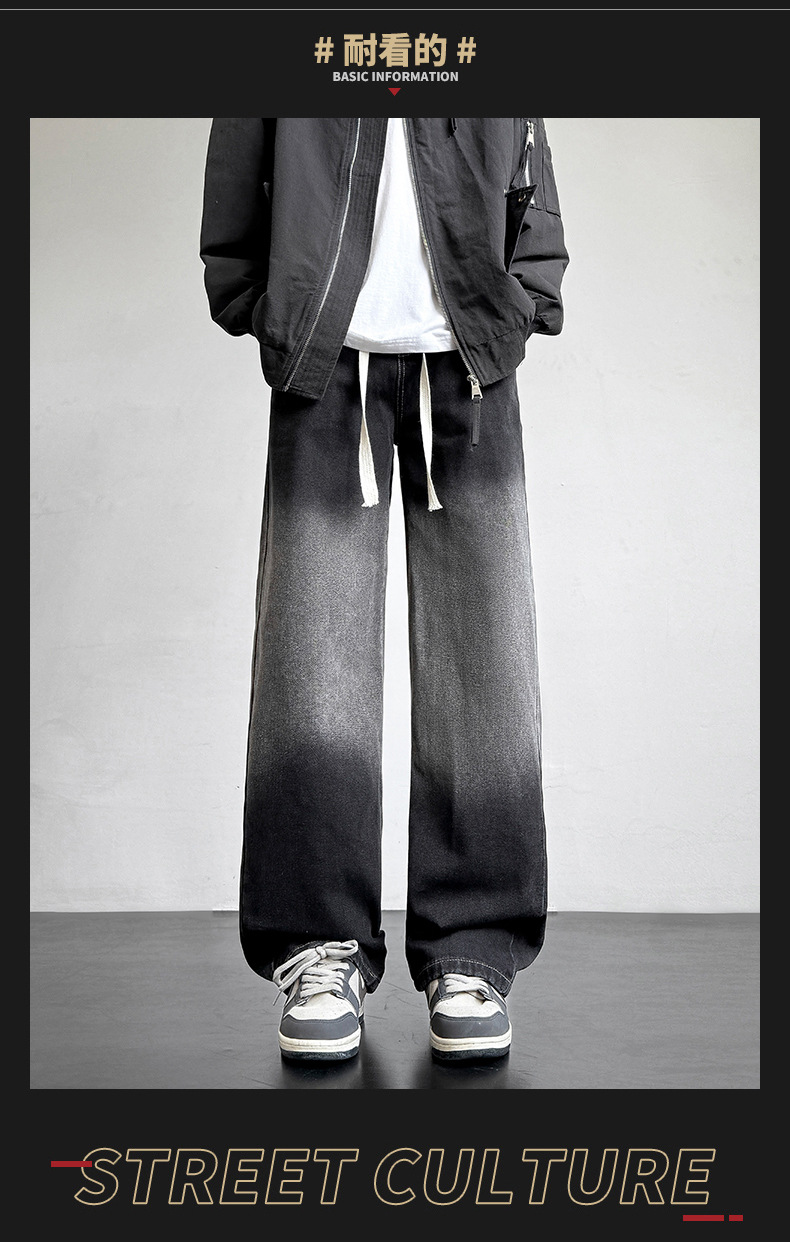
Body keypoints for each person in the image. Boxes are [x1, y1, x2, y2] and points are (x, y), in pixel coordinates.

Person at [200, 116, 569, 1063]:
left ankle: (474, 951)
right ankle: (317, 948)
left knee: (485, 667)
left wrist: (527, 292)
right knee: (309, 669)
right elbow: (240, 153)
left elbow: (530, 149)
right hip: (326, 361)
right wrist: (260, 301)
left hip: (471, 357)